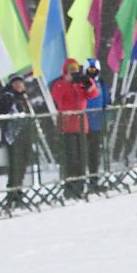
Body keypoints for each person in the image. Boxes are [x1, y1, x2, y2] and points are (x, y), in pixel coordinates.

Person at [50, 58, 99, 199]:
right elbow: (57, 97)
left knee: (82, 158)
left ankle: (80, 185)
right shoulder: (59, 84)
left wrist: (87, 83)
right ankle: (70, 187)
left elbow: (93, 94)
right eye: (71, 70)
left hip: (81, 126)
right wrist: (67, 82)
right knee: (70, 158)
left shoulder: (81, 84)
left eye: (76, 70)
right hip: (66, 127)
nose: (74, 73)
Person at [0, 73, 35, 207]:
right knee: (15, 166)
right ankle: (13, 194)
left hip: (24, 135)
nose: (19, 86)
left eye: (21, 83)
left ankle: (18, 192)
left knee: (21, 166)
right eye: (16, 84)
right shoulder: (8, 97)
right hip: (13, 137)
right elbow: (4, 113)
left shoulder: (23, 97)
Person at [84, 59, 109, 188]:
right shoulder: (83, 83)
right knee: (83, 153)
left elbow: (105, 100)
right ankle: (82, 180)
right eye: (90, 70)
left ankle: (94, 179)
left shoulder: (101, 83)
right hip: (83, 124)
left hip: (96, 123)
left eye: (94, 70)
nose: (92, 73)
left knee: (94, 153)